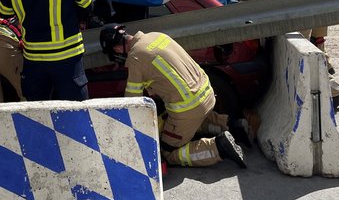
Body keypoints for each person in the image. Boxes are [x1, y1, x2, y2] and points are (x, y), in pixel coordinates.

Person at [99, 24, 247, 168]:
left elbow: (133, 103)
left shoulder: (135, 59)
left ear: (117, 48)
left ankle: (218, 148)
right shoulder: (156, 35)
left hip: (190, 108)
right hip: (207, 94)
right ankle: (233, 126)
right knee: (193, 123)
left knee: (169, 152)